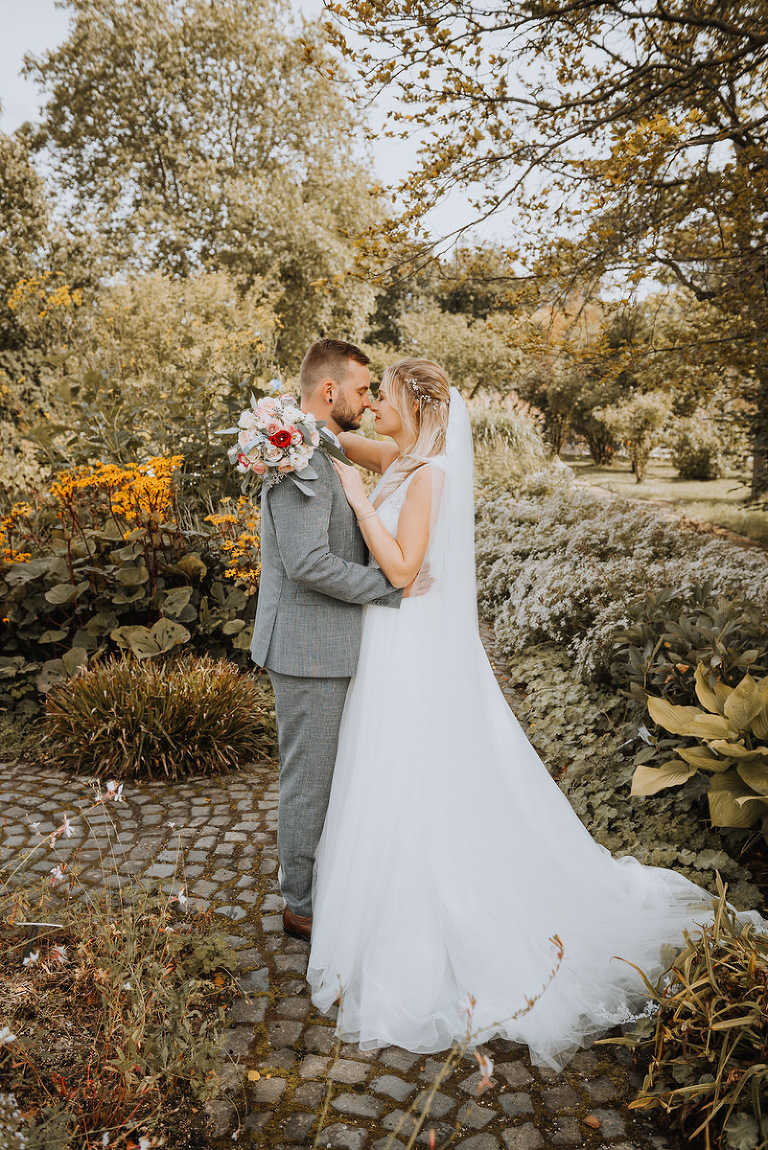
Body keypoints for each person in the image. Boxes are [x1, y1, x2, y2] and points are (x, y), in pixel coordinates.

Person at [306, 357, 764, 1070]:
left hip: (411, 640)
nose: (372, 410)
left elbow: (401, 570)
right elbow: (340, 447)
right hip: (392, 639)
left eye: (384, 399)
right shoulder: (402, 455)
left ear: (416, 408)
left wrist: (362, 504)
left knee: (414, 767)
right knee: (387, 766)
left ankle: (435, 911)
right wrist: (287, 429)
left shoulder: (427, 475)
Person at [250, 338, 402, 943]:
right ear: (331, 390)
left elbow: (393, 456)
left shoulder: (324, 445)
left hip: (331, 643)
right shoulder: (299, 459)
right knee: (309, 780)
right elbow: (308, 561)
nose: (368, 402)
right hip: (309, 649)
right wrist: (390, 588)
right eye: (363, 390)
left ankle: (320, 884)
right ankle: (301, 906)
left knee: (332, 776)